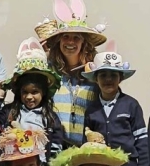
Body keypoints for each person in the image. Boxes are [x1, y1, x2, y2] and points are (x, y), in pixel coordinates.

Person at [0, 37, 63, 166]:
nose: (29, 97)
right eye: (25, 92)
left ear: (43, 92)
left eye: (34, 92)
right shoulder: (9, 113)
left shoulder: (50, 119)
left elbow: (57, 153)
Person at [82, 40, 147, 166]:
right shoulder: (92, 109)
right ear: (96, 79)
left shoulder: (131, 105)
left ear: (121, 78)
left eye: (113, 75)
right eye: (103, 75)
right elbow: (84, 145)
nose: (108, 80)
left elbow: (142, 143)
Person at [46, 0, 107, 147]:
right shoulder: (50, 71)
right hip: (57, 143)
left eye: (76, 38)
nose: (70, 42)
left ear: (84, 43)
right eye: (66, 36)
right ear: (59, 42)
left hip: (88, 144)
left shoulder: (95, 72)